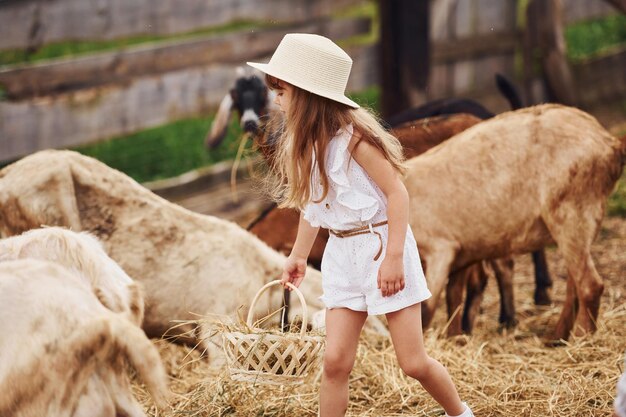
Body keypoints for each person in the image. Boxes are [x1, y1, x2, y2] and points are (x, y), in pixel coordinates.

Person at [247, 33, 473, 417]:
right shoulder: (305, 144)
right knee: (334, 362)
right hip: (342, 256)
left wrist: (394, 258)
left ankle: (461, 414)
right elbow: (312, 206)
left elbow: (397, 194)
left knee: (413, 363)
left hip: (382, 246)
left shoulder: (355, 141)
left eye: (281, 90)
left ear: (306, 94)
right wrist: (298, 256)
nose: (276, 99)